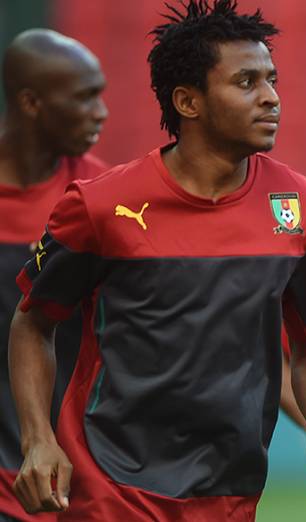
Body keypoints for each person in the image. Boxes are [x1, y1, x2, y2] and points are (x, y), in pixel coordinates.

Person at [7, 1, 306, 520]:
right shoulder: (99, 205)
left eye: (271, 80)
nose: (270, 99)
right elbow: (32, 323)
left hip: (233, 489)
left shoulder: (304, 207)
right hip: (109, 486)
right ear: (188, 102)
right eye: (246, 83)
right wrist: (37, 440)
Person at [0, 29, 108, 522]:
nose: (101, 112)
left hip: (65, 474)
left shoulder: (97, 199)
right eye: (85, 96)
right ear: (31, 102)